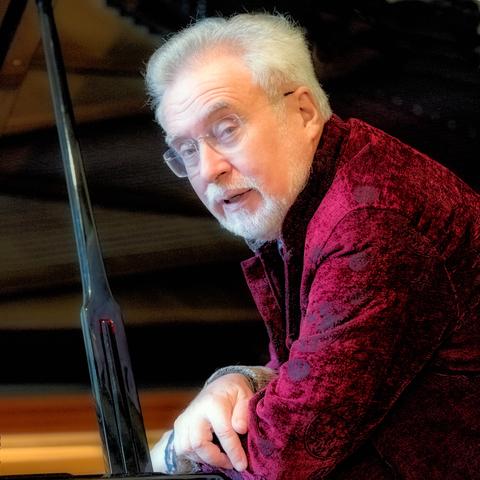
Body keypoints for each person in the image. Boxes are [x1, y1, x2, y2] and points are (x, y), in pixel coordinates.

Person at [144, 13, 480, 480]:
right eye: (186, 149)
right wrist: (241, 380)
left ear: (302, 111)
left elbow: (287, 455)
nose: (207, 169)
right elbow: (307, 372)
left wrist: (170, 457)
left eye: (226, 128)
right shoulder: (323, 194)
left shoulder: (370, 222)